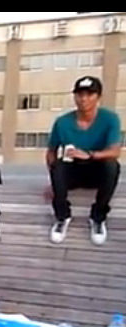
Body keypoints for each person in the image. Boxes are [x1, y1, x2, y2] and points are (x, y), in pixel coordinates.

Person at [46, 76, 122, 246]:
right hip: (73, 173)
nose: (84, 99)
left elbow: (115, 151)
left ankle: (98, 218)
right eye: (80, 94)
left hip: (97, 172)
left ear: (98, 97)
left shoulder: (110, 119)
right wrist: (54, 183)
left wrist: (89, 155)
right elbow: (51, 152)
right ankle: (62, 217)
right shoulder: (62, 122)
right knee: (58, 165)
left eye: (89, 94)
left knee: (112, 165)